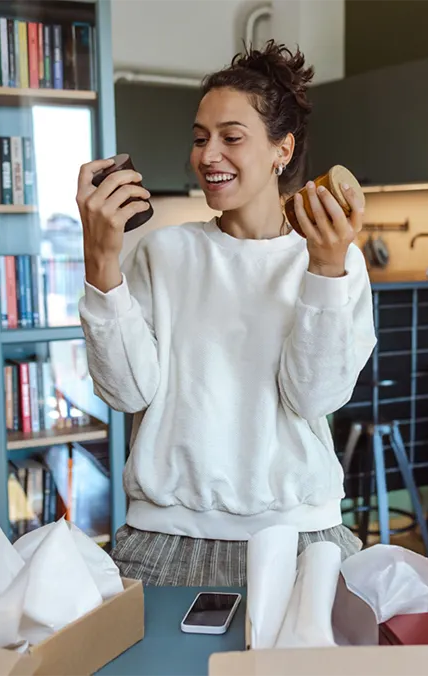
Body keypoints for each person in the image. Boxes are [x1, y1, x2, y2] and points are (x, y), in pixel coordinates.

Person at [74, 41, 376, 586]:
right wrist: (101, 265)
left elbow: (314, 397)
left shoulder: (335, 257)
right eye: (199, 138)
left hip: (300, 537)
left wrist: (326, 270)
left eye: (231, 137)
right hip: (164, 539)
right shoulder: (163, 253)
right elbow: (127, 393)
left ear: (281, 150)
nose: (208, 154)